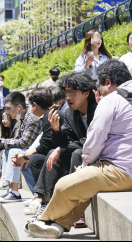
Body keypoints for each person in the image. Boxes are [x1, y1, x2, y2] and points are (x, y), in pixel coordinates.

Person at [25, 60, 132, 239]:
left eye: (99, 85)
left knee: (65, 185)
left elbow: (93, 143)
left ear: (107, 82)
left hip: (124, 172)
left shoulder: (111, 100)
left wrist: (85, 166)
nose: (98, 90)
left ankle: (42, 220)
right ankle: (60, 224)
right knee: (86, 186)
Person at [24, 72, 97, 221]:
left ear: (86, 93)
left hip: (99, 156)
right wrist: (56, 131)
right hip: (81, 156)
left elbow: (92, 140)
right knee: (52, 153)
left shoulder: (98, 110)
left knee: (77, 153)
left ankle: (74, 209)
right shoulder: (71, 114)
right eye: (66, 93)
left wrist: (61, 149)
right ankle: (46, 203)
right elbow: (65, 142)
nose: (68, 97)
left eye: (73, 93)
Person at [0, 92, 44, 203]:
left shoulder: (31, 119)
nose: (6, 112)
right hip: (30, 151)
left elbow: (24, 143)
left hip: (37, 152)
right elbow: (16, 140)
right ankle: (12, 191)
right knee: (9, 150)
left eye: (8, 108)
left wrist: (0, 141)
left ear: (19, 107)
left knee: (14, 152)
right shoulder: (22, 119)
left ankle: (15, 191)